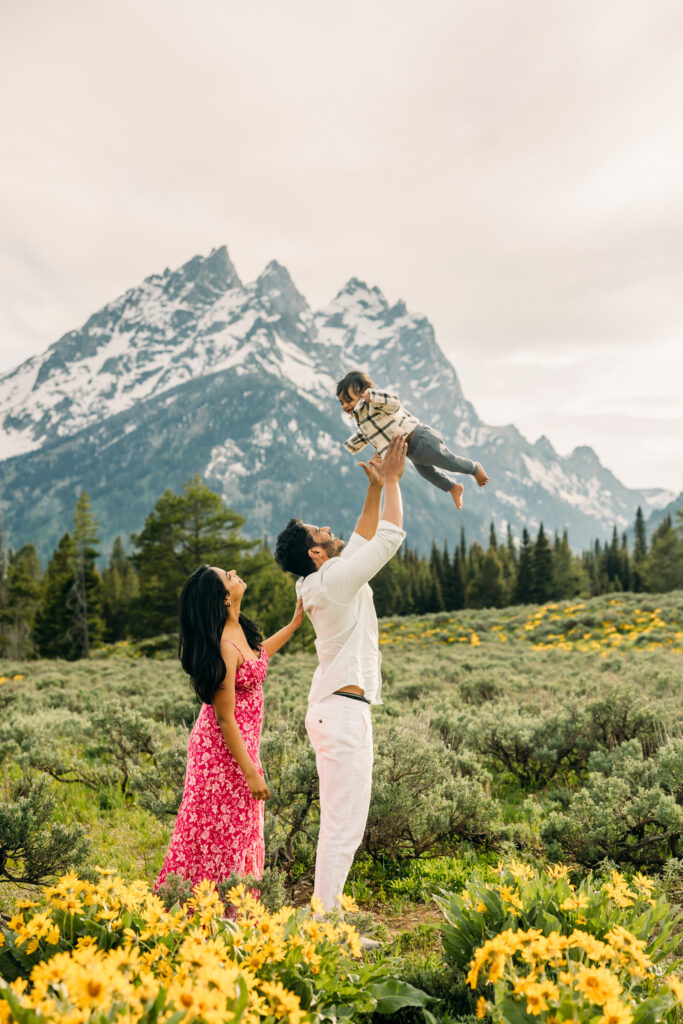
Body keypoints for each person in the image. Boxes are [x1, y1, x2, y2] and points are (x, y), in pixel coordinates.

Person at [274, 434, 407, 912]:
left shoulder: (322, 580)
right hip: (342, 714)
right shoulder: (330, 580)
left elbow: (361, 539)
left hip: (339, 710)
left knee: (342, 821)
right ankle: (325, 922)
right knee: (343, 824)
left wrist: (373, 489)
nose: (327, 528)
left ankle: (324, 916)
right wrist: (393, 481)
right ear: (315, 552)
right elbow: (388, 539)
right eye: (318, 530)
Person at [154, 564, 303, 892]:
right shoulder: (223, 643)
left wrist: (293, 626)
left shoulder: (239, 628)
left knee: (239, 834)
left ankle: (235, 917)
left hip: (239, 751)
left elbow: (259, 659)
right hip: (219, 755)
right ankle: (208, 914)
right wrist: (251, 772)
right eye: (227, 575)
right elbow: (225, 720)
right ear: (223, 598)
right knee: (220, 837)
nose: (234, 572)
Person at [336, 369, 489, 510]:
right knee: (427, 473)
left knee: (448, 462)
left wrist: (373, 396)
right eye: (342, 402)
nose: (345, 405)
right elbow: (365, 434)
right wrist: (350, 446)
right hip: (411, 452)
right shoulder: (363, 421)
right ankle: (453, 487)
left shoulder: (375, 404)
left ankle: (474, 468)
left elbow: (394, 404)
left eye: (349, 400)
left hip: (421, 439)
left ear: (363, 394)